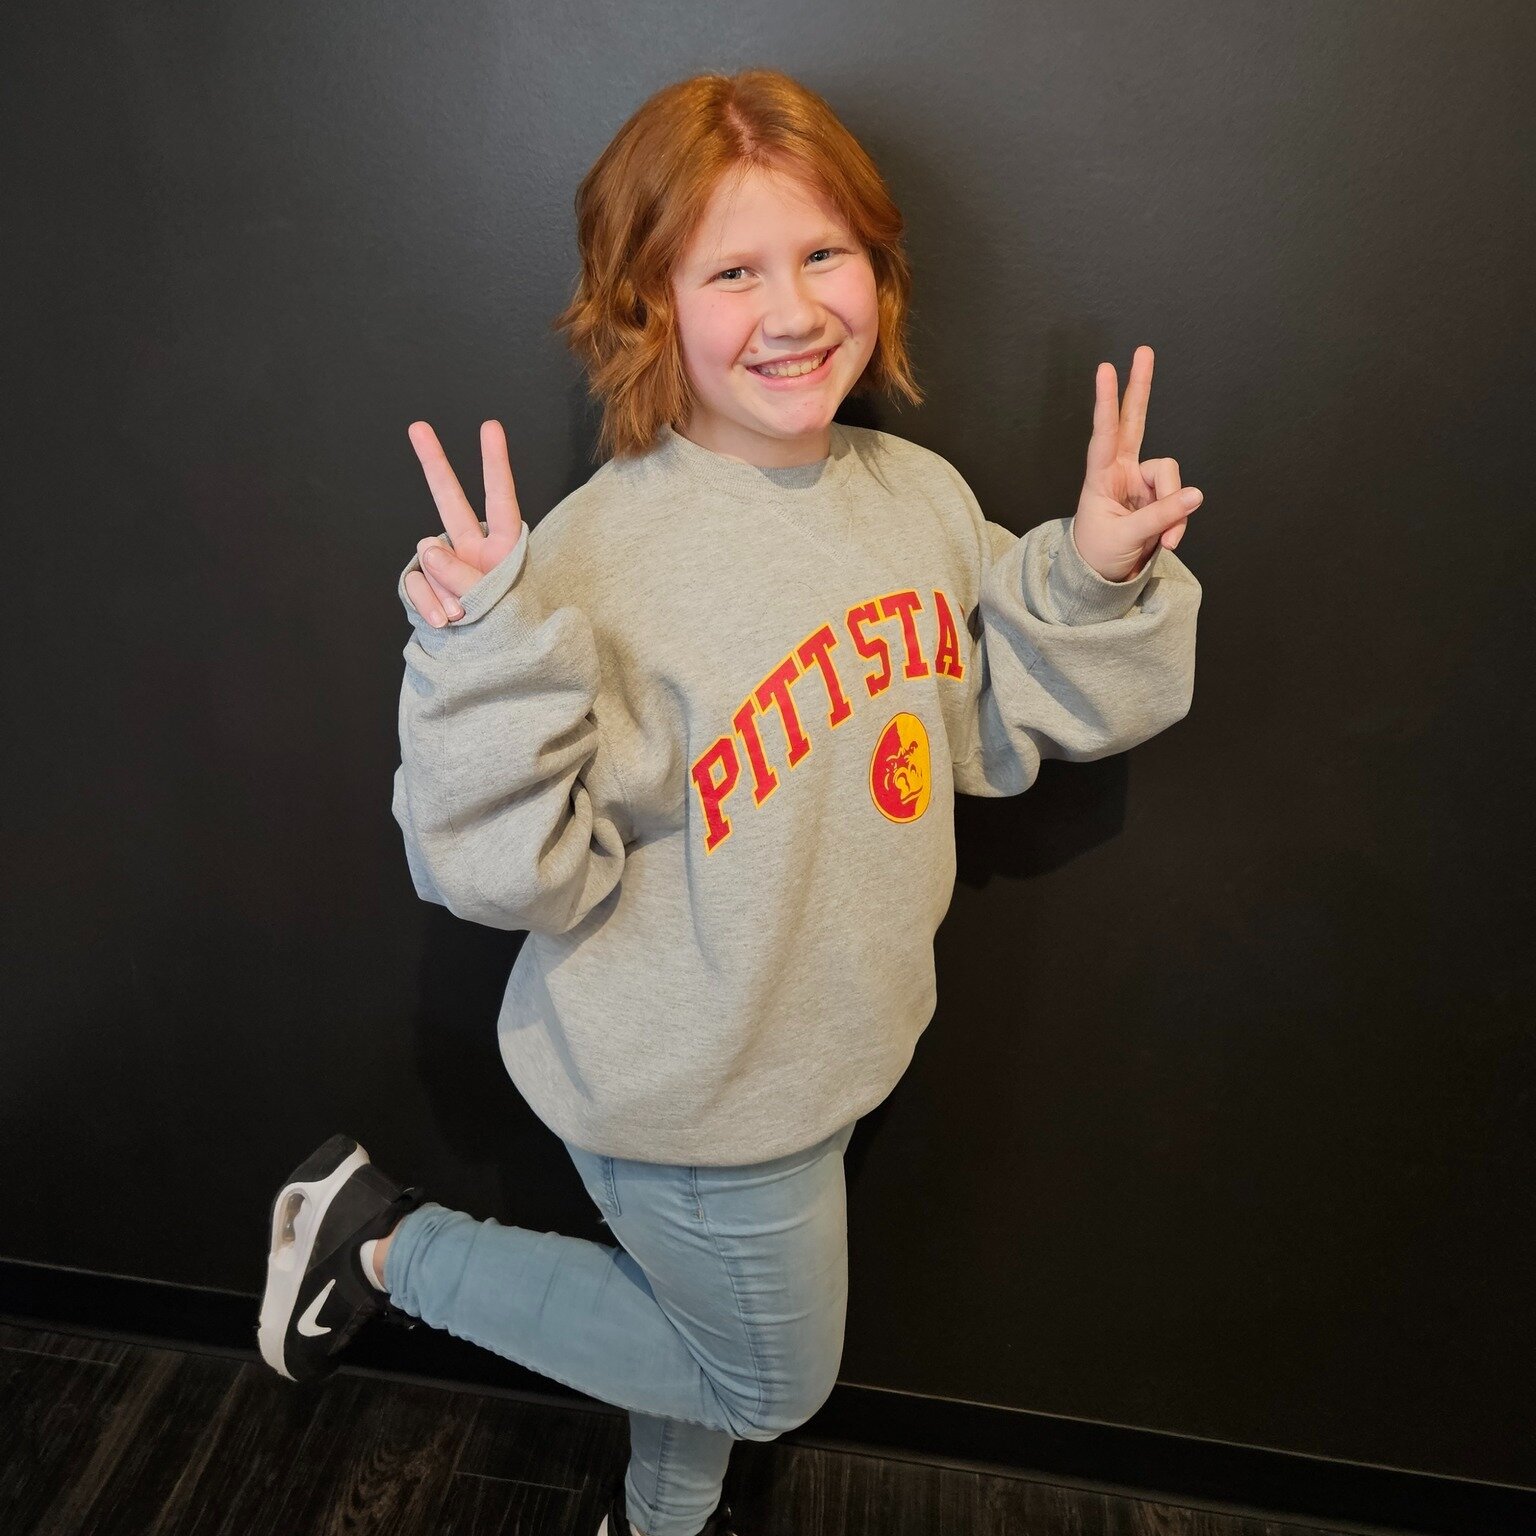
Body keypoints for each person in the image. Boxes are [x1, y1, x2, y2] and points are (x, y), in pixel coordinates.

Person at [256, 67, 1204, 1536]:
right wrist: (480, 663)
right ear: (649, 303)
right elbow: (509, 877)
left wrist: (1093, 572)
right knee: (765, 1379)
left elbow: (1001, 721)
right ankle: (382, 1247)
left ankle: (663, 1517)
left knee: (696, 1337)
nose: (793, 309)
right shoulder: (587, 563)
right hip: (690, 1085)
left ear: (878, 270)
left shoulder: (918, 499)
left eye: (825, 253)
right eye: (734, 270)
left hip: (826, 1042)